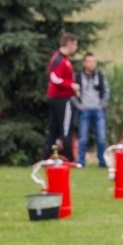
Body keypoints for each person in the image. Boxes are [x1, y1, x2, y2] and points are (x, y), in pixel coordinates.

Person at [44, 33, 79, 161]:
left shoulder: (61, 59)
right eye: (75, 44)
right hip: (61, 99)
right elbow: (55, 78)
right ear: (69, 44)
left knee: (53, 130)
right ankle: (69, 158)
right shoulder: (60, 60)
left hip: (55, 98)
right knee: (65, 130)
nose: (76, 48)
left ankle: (47, 157)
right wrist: (71, 86)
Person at [73, 52, 110, 168]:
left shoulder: (99, 75)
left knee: (101, 138)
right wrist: (78, 105)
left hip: (98, 110)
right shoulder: (78, 76)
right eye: (89, 62)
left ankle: (102, 161)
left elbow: (106, 91)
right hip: (84, 110)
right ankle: (81, 161)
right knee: (83, 138)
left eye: (94, 62)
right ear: (84, 63)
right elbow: (71, 93)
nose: (92, 64)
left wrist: (102, 105)